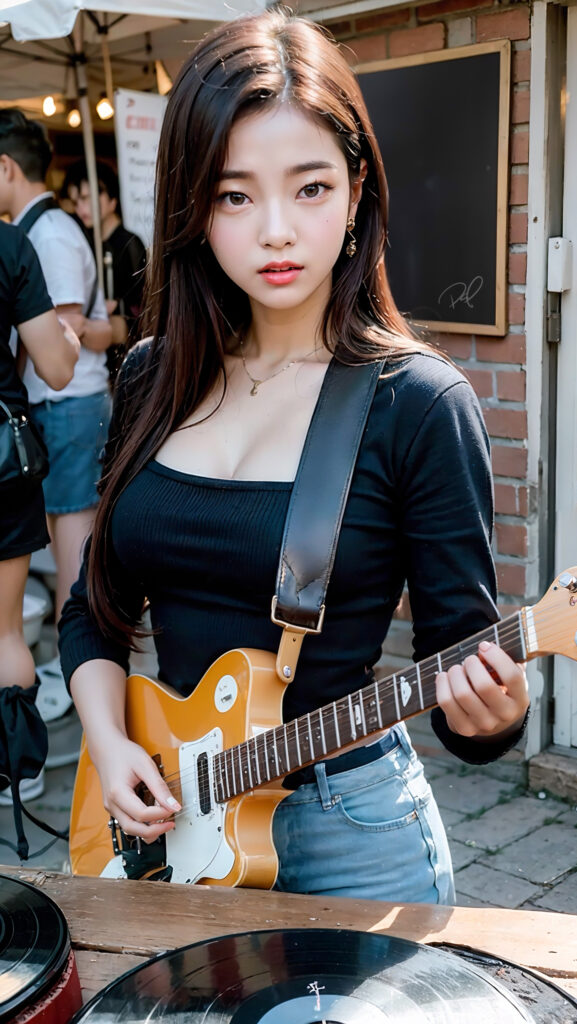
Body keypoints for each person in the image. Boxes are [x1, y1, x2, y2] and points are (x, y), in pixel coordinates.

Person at [58, 9, 529, 905]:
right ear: (194, 207)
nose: (275, 230)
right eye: (235, 195)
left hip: (346, 830)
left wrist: (494, 714)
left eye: (308, 188)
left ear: (356, 191)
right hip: (167, 815)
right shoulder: (153, 374)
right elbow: (92, 611)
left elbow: (466, 675)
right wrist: (110, 743)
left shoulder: (418, 402)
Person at [0, 109, 112, 623]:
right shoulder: (33, 231)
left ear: (7, 169)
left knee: (73, 544)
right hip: (54, 404)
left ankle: (79, 657)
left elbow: (64, 332)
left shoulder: (49, 234)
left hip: (69, 404)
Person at [0, 220, 79, 822]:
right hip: (0, 463)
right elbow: (55, 368)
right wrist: (70, 343)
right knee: (3, 633)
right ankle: (14, 777)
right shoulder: (7, 244)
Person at [71, 160, 147, 370]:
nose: (81, 208)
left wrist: (118, 304)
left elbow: (146, 301)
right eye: (76, 201)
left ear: (111, 198)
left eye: (86, 198)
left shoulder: (130, 243)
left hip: (129, 357)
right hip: (99, 360)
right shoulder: (87, 243)